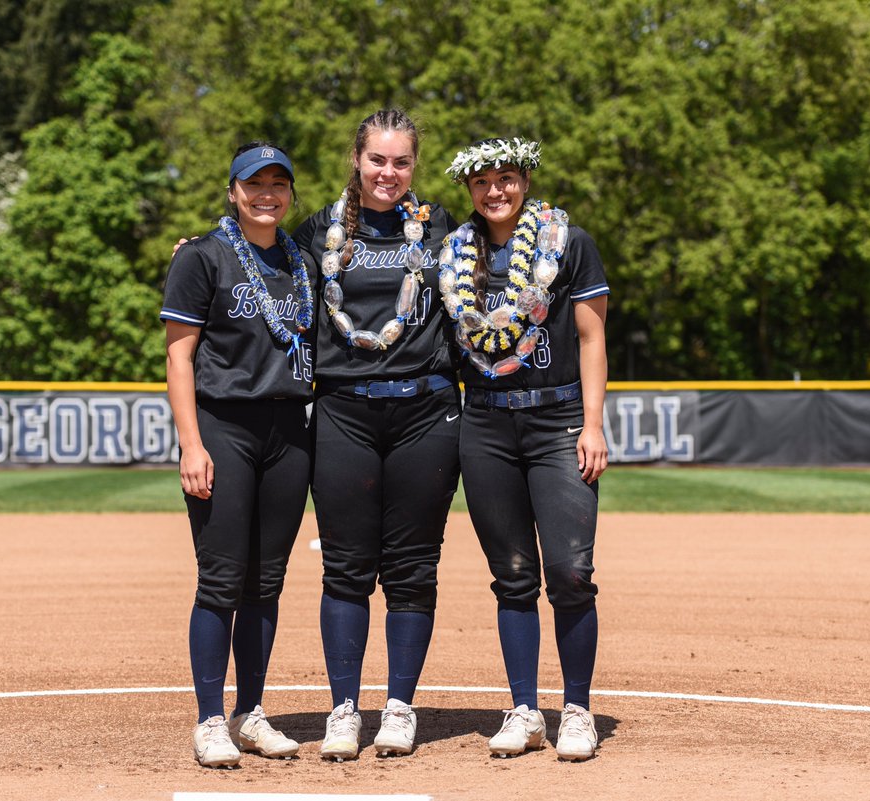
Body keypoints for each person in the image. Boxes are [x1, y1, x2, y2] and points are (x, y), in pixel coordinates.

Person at [291, 108, 462, 760]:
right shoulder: (318, 233)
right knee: (346, 568)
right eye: (377, 160)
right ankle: (343, 708)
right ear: (356, 161)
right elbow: (261, 255)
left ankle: (398, 706)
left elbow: (505, 256)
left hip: (426, 413)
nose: (388, 172)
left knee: (413, 569)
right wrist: (203, 247)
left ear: (413, 166)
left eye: (401, 162)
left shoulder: (441, 228)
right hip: (344, 413)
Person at [438, 137, 609, 761]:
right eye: (482, 182)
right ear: (469, 190)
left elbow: (592, 337)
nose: (495, 191)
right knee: (512, 577)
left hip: (558, 419)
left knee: (570, 573)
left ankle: (579, 710)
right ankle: (524, 709)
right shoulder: (453, 251)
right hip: (484, 425)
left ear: (525, 180)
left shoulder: (569, 243)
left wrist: (593, 424)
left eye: (506, 178)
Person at [161, 142, 316, 768]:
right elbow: (178, 356)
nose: (267, 194)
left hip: (290, 433)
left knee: (266, 582)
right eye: (255, 184)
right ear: (233, 191)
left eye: (279, 183)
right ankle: (208, 720)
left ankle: (250, 712)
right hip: (224, 427)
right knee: (222, 580)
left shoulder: (303, 262)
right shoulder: (203, 257)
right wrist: (191, 443)